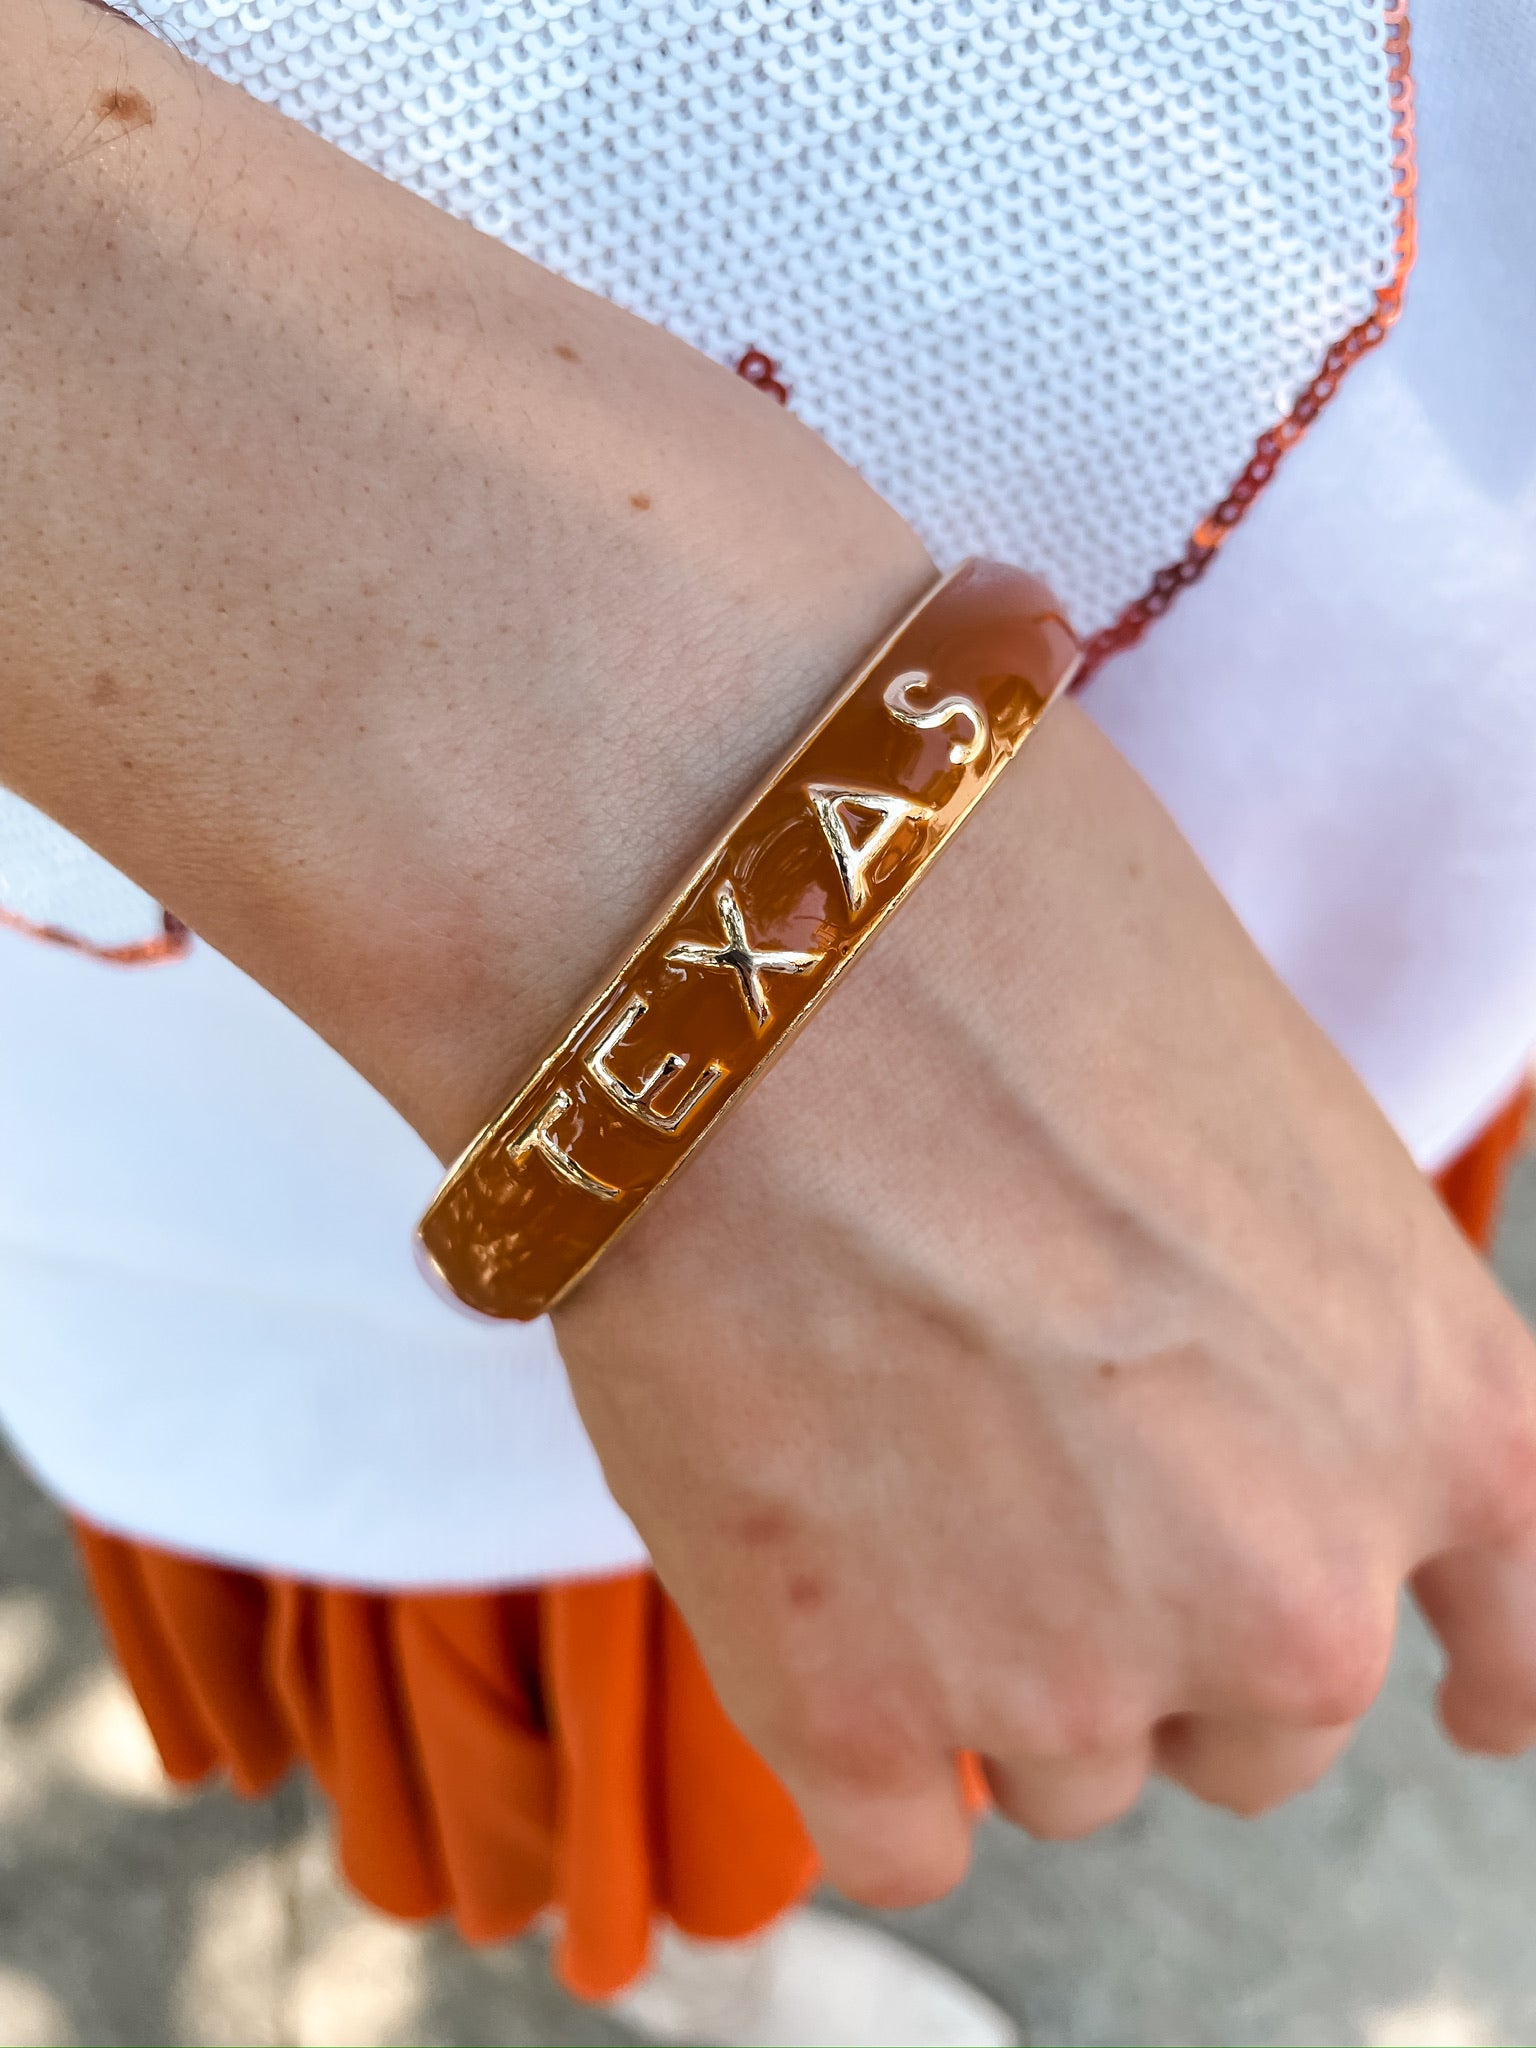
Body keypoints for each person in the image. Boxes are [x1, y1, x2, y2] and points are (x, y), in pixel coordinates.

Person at [4, 0, 1536, 2038]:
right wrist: (777, 988)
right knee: (597, 1665)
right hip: (300, 880)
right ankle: (679, 1945)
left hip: (1389, 559)